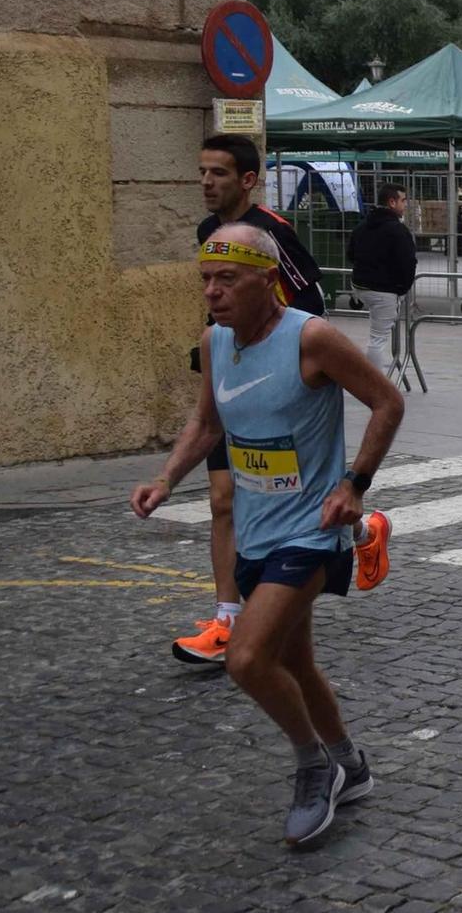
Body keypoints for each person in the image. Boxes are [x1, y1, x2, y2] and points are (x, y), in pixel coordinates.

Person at [132, 224, 406, 847]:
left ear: (266, 278)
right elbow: (207, 423)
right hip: (254, 534)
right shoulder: (214, 343)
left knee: (248, 658)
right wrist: (167, 478)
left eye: (226, 279)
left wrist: (354, 486)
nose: (212, 292)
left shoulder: (311, 338)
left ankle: (316, 766)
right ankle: (352, 763)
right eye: (205, 279)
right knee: (296, 663)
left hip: (310, 532)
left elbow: (387, 403)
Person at [174, 136, 344, 668]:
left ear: (247, 180)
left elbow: (310, 303)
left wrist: (285, 359)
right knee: (223, 500)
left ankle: (356, 527)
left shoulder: (273, 233)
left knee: (283, 492)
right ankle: (227, 618)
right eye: (202, 172)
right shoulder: (210, 232)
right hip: (233, 379)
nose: (207, 182)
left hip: (280, 390)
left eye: (219, 174)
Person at [347, 183, 417, 371]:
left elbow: (351, 255)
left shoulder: (362, 226)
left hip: (361, 285)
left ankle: (373, 379)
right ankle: (374, 383)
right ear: (392, 202)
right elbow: (408, 262)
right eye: (403, 200)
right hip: (384, 291)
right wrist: (401, 289)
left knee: (376, 334)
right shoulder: (398, 230)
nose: (405, 205)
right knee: (377, 340)